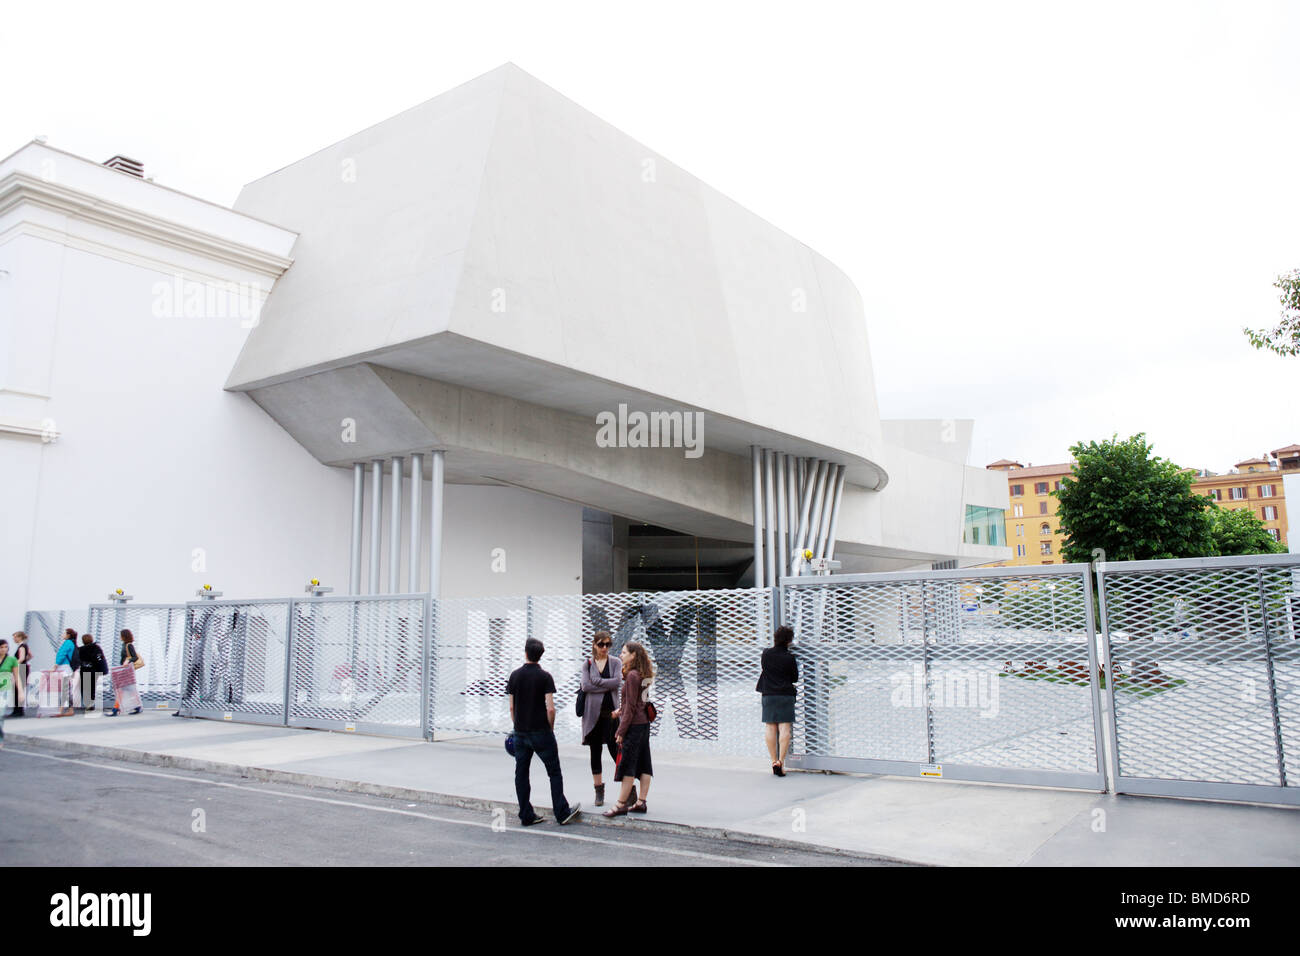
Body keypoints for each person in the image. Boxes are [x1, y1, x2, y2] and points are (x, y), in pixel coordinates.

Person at [506, 637, 581, 827]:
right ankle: (561, 812)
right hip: (541, 732)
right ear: (541, 655)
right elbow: (551, 708)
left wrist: (518, 726)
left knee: (521, 773)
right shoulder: (545, 677)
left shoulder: (514, 676)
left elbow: (511, 708)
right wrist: (550, 727)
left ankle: (526, 814)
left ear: (525, 652)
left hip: (521, 733)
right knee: (554, 772)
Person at [604, 640, 654, 817]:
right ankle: (641, 802)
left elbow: (632, 707)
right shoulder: (643, 673)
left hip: (633, 726)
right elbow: (639, 702)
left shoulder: (632, 676)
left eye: (624, 652)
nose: (620, 655)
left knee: (627, 765)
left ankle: (620, 804)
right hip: (643, 724)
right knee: (644, 762)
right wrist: (620, 711)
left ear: (633, 655)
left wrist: (620, 731)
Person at [579, 630, 623, 806]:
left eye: (608, 644)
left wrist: (597, 681)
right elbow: (585, 686)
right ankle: (599, 791)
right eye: (601, 644)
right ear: (594, 645)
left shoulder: (616, 662)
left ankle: (628, 789)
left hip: (611, 715)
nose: (605, 648)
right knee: (595, 752)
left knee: (616, 751)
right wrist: (605, 684)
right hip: (592, 715)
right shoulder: (588, 663)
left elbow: (617, 682)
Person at [756, 625, 799, 776]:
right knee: (785, 728)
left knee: (770, 727)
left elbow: (765, 670)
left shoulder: (766, 654)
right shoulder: (790, 657)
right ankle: (781, 761)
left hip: (768, 694)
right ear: (789, 641)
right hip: (785, 694)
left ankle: (773, 760)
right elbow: (795, 678)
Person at [114, 629, 143, 716]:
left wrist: (128, 661)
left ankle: (115, 708)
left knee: (121, 689)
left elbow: (135, 657)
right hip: (124, 670)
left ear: (124, 636)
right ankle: (137, 706)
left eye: (121, 635)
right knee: (129, 689)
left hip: (127, 670)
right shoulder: (124, 645)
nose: (120, 637)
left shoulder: (129, 645)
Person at [78, 633, 109, 711]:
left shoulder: (80, 650)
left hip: (85, 670)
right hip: (94, 670)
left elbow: (77, 660)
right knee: (92, 687)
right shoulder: (96, 648)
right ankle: (91, 703)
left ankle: (88, 704)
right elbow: (101, 658)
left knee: (85, 688)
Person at [54, 628, 80, 715]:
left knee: (64, 689)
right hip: (68, 668)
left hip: (64, 667)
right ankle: (70, 710)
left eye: (64, 633)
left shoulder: (67, 643)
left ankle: (60, 711)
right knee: (67, 689)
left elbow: (62, 654)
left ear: (68, 635)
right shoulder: (72, 643)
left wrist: (56, 665)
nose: (62, 634)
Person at [11, 632, 33, 717]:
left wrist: (12, 665)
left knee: (18, 689)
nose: (14, 639)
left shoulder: (22, 647)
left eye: (15, 637)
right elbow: (30, 656)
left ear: (20, 637)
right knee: (19, 689)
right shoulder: (25, 646)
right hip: (24, 667)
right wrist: (25, 661)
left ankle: (18, 711)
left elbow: (21, 658)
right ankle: (18, 710)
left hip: (21, 669)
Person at [0, 638, 16, 746]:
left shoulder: (11, 660)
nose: (4, 649)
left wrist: (20, 693)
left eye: (6, 647)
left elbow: (17, 676)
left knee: (0, 715)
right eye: (1, 647)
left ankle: (0, 740)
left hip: (4, 689)